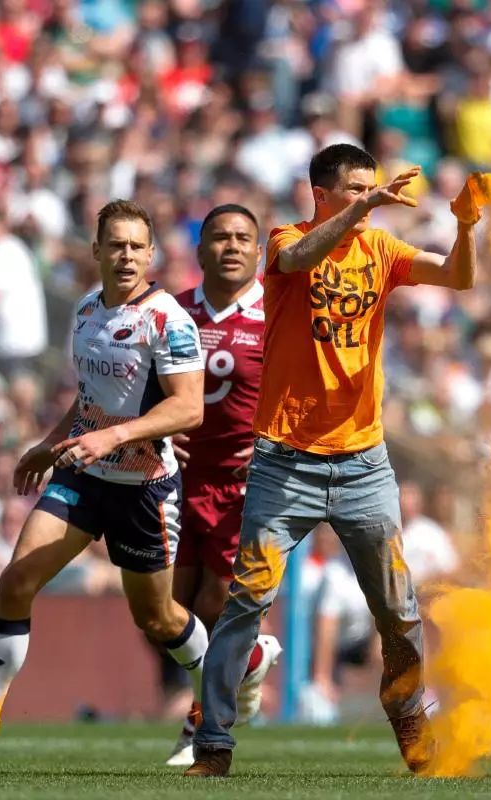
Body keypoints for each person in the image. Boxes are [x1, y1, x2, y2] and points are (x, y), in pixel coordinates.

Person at [185, 143, 484, 777]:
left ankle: (407, 713)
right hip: (284, 461)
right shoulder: (284, 240)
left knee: (399, 609)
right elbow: (298, 257)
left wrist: (464, 226)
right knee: (247, 599)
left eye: (371, 188)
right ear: (321, 193)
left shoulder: (383, 250)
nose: (369, 198)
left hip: (364, 463)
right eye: (354, 189)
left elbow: (459, 277)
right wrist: (365, 209)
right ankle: (213, 743)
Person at [0, 200, 208, 758]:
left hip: (144, 488)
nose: (125, 256)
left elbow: (189, 409)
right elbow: (88, 399)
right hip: (85, 477)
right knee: (17, 580)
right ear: (95, 251)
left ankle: (217, 695)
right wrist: (51, 444)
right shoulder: (85, 311)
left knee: (157, 617)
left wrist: (114, 437)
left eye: (135, 246)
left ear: (151, 254)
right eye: (114, 245)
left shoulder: (168, 318)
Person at [165, 204, 283, 767]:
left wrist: (271, 444)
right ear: (201, 249)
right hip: (174, 479)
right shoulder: (175, 311)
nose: (232, 246)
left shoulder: (277, 313)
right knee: (164, 609)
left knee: (216, 602)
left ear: (258, 251)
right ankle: (253, 656)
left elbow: (301, 392)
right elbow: (144, 386)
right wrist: (156, 436)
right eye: (220, 237)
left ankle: (199, 729)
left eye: (243, 238)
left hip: (245, 483)